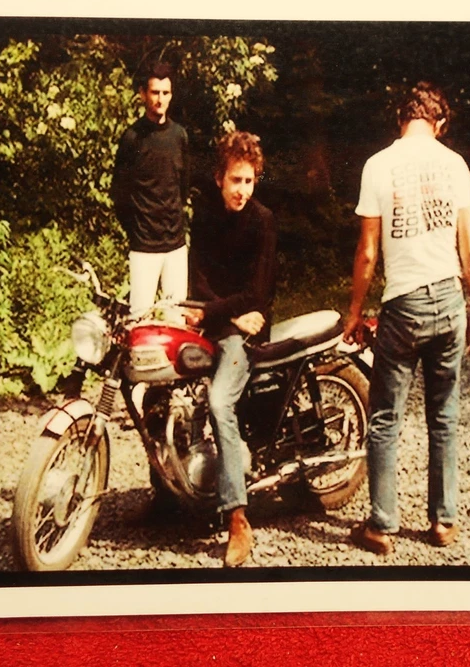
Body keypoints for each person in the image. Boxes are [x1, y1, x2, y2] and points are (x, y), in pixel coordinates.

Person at [343, 81, 470, 554]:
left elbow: (367, 252)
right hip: (448, 300)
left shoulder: (378, 165)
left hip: (402, 305)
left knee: (386, 417)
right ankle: (443, 522)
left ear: (400, 120)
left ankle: (381, 525)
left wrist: (354, 311)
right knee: (444, 416)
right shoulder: (455, 165)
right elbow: (469, 248)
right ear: (439, 122)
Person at [183, 131, 277, 567]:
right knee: (162, 385)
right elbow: (196, 284)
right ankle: (169, 493)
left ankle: (238, 518)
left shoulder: (262, 220)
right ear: (219, 178)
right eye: (235, 180)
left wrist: (220, 315)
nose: (242, 190)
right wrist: (225, 314)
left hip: (245, 332)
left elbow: (257, 293)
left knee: (220, 402)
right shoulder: (203, 218)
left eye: (249, 181)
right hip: (219, 323)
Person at [110, 62, 190, 316]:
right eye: (155, 93)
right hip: (144, 247)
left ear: (171, 94)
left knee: (177, 319)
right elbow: (119, 194)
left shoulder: (179, 136)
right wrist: (136, 230)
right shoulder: (132, 137)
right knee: (139, 319)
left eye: (165, 93)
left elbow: (184, 186)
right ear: (143, 93)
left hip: (175, 245)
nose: (160, 99)